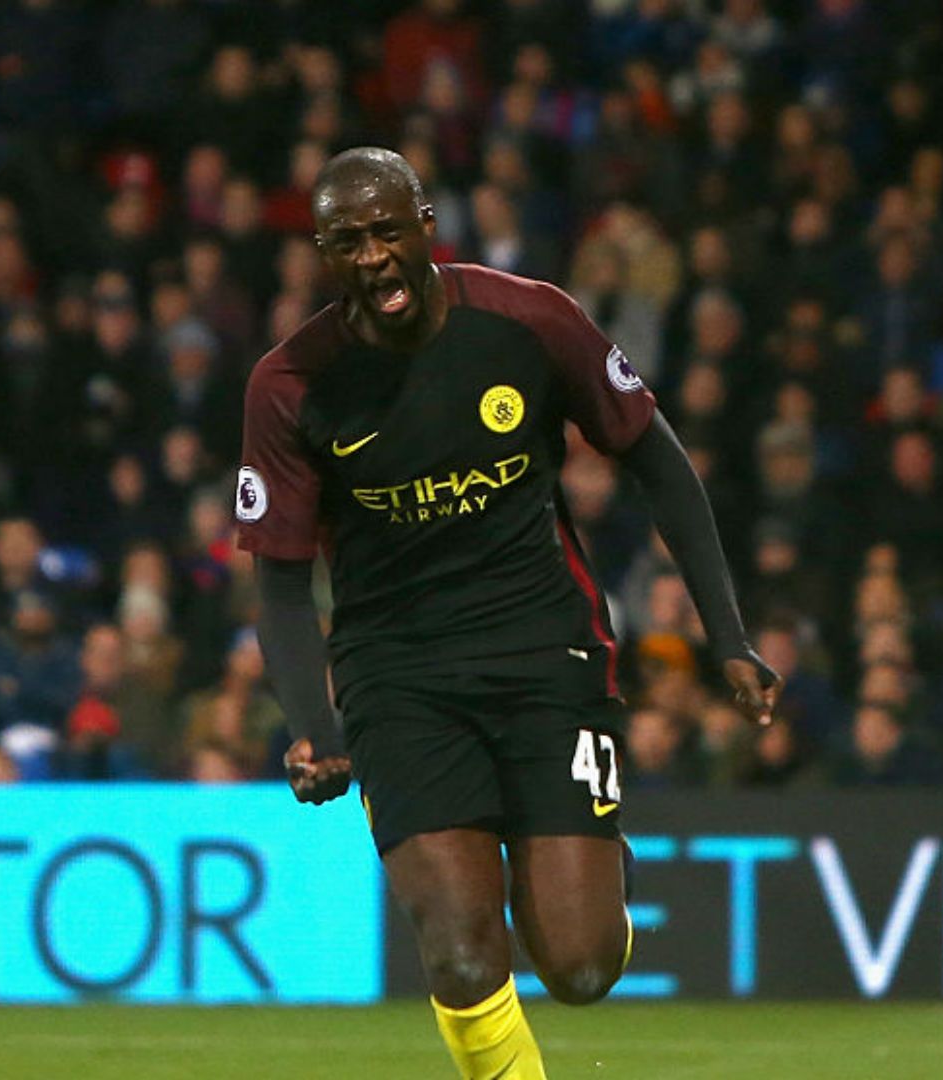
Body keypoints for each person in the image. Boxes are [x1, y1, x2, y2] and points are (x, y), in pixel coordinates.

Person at [238, 147, 776, 1079]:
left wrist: (726, 635)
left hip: (546, 650)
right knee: (458, 948)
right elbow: (280, 581)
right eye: (346, 243)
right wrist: (311, 725)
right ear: (324, 256)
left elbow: (658, 461)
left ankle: (597, 861)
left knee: (581, 965)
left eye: (386, 232)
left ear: (426, 227)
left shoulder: (530, 320)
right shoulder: (290, 385)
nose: (371, 257)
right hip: (397, 675)